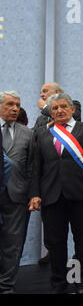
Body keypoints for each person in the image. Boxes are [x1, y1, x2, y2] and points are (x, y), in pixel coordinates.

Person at [28, 93, 83, 294]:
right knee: (56, 243)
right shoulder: (42, 133)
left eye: (63, 107)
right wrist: (34, 194)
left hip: (81, 195)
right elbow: (36, 167)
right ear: (50, 112)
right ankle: (59, 283)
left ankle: (80, 281)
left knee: (81, 241)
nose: (59, 111)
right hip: (51, 196)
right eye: (55, 108)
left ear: (72, 109)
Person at [0, 91, 33, 293]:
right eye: (10, 104)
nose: (15, 109)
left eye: (18, 105)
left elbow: (33, 167)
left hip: (17, 196)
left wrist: (33, 194)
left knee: (13, 245)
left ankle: (6, 286)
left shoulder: (27, 134)